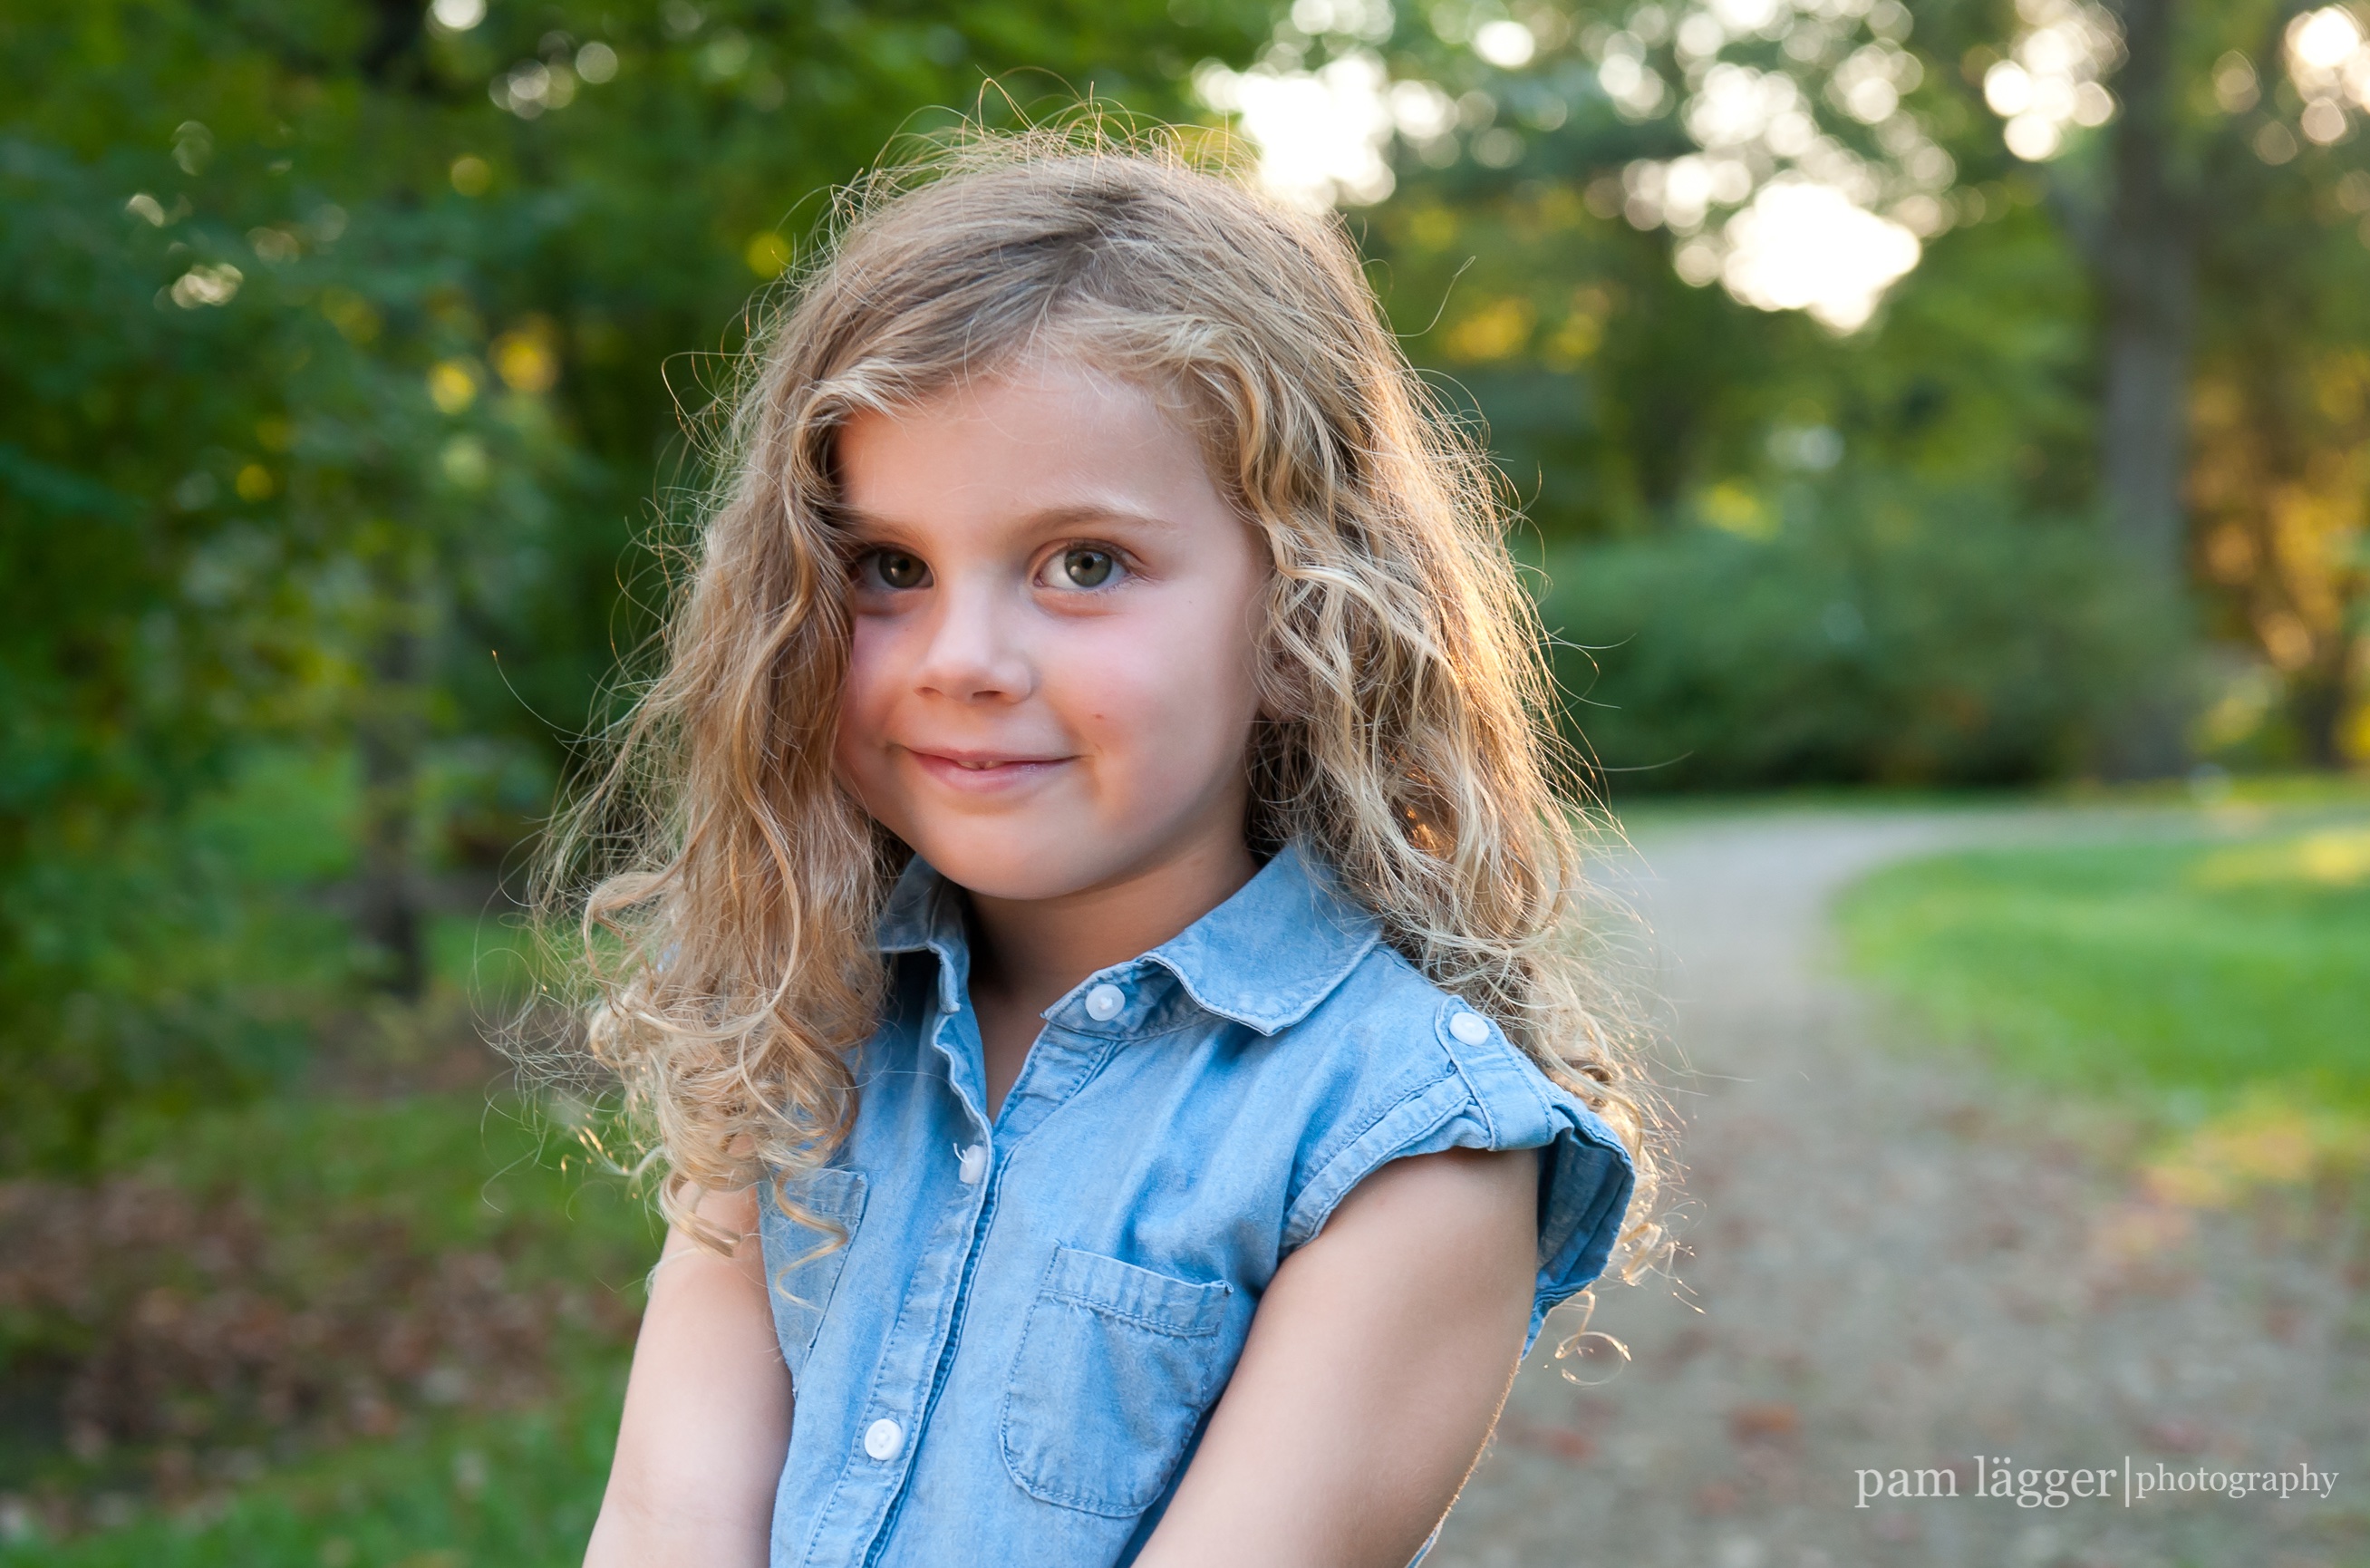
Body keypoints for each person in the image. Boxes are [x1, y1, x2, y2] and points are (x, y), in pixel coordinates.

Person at [556, 130, 1663, 1568]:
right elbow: (666, 1522)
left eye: (1085, 563)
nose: (963, 658)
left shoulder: (1405, 1150)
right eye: (890, 567)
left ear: (1307, 612)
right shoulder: (806, 1025)